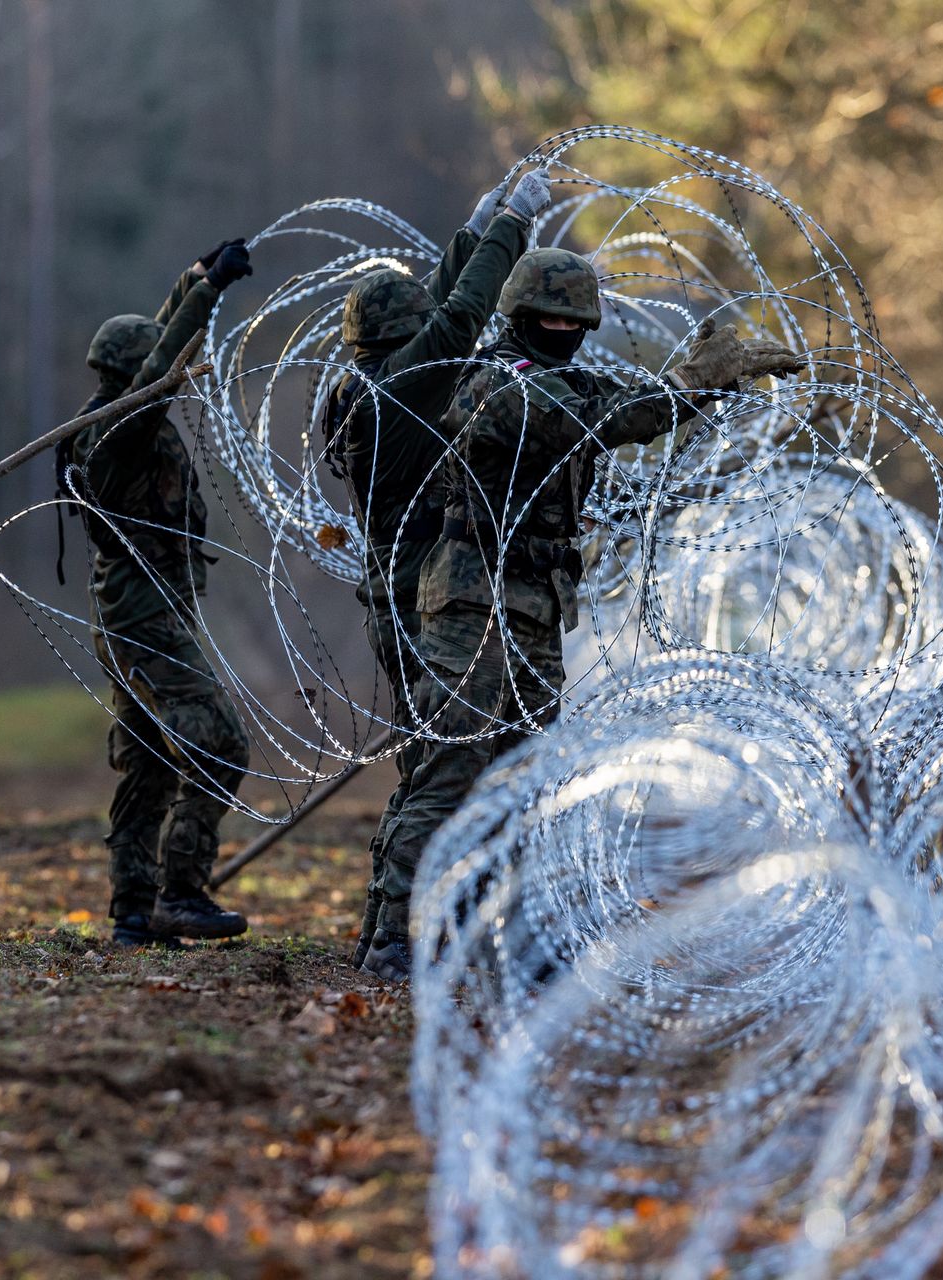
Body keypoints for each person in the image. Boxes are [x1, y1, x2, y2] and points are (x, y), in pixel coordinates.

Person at [360, 248, 804, 980]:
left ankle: (495, 931)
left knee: (524, 775)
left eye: (574, 319)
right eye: (549, 317)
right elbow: (606, 420)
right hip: (473, 599)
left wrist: (705, 388)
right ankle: (391, 935)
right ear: (522, 316)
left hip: (535, 603)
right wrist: (694, 381)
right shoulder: (500, 385)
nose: (562, 327)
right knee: (449, 770)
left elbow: (625, 415)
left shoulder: (562, 380)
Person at [321, 168, 553, 965]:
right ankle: (395, 932)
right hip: (422, 603)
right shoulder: (402, 394)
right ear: (402, 338)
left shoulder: (368, 386)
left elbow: (438, 311)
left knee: (437, 762)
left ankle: (401, 925)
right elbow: (456, 319)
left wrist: (477, 223)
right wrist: (512, 226)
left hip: (404, 594)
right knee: (446, 766)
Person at [56, 239, 255, 947]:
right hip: (143, 619)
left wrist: (194, 279)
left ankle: (133, 912)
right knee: (220, 745)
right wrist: (207, 295)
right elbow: (159, 372)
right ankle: (180, 893)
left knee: (146, 763)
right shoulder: (118, 430)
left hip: (141, 611)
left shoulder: (117, 421)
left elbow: (156, 362)